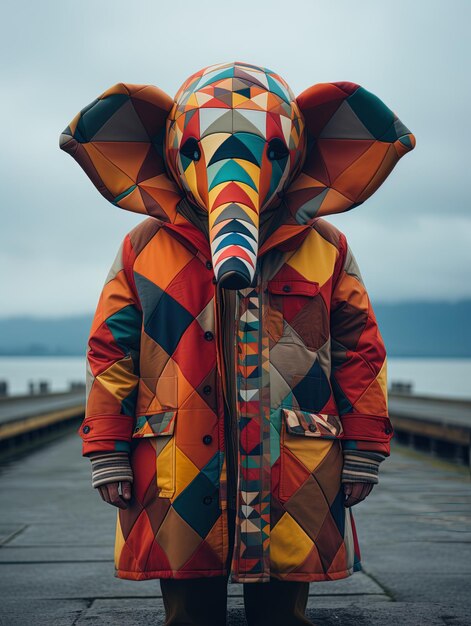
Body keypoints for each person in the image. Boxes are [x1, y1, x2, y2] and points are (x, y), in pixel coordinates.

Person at [60, 62, 415, 626]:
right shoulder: (142, 250)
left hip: (290, 471)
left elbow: (360, 354)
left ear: (304, 153)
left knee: (282, 613)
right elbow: (111, 354)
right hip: (182, 465)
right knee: (188, 613)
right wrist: (107, 448)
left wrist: (366, 447)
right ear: (168, 154)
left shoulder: (326, 248)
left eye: (268, 153)